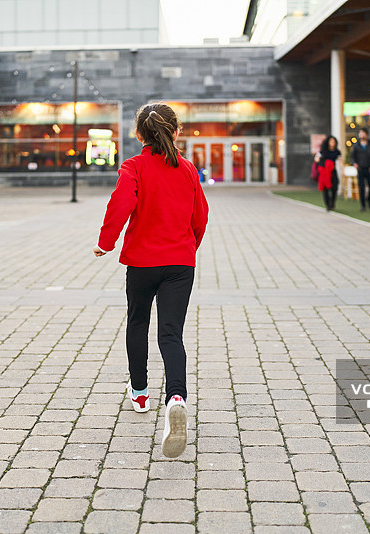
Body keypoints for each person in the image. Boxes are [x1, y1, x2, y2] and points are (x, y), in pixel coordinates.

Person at [94, 102, 209, 458]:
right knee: (171, 334)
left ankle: (140, 394)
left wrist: (105, 243)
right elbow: (200, 216)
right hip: (179, 263)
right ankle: (176, 397)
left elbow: (120, 205)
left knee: (138, 323)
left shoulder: (133, 167)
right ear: (176, 131)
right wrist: (187, 248)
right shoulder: (187, 168)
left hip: (142, 263)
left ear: (139, 134)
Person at [350, 127, 370, 211]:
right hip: (360, 168)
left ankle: (369, 200)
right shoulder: (356, 145)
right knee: (361, 187)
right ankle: (363, 205)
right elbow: (353, 156)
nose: (361, 135)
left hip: (369, 168)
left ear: (366, 134)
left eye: (363, 133)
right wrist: (354, 163)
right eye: (360, 133)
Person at [315, 135, 341, 211]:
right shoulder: (323, 151)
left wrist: (343, 170)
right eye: (331, 141)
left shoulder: (337, 151)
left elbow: (340, 161)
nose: (332, 143)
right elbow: (317, 158)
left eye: (333, 141)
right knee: (325, 188)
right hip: (324, 172)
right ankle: (328, 205)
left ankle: (332, 202)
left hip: (333, 171)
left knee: (334, 187)